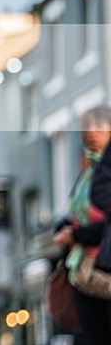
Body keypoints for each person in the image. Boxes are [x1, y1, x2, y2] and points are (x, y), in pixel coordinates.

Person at [54, 106, 111, 343]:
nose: (92, 132)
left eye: (99, 126)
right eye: (87, 126)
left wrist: (76, 234)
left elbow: (103, 223)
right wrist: (65, 227)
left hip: (103, 264)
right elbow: (79, 212)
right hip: (84, 268)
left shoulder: (100, 172)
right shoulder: (89, 172)